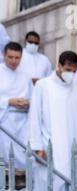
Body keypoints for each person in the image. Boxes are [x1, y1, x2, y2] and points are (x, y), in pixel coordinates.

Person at [28, 51, 77, 191]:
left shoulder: (76, 87)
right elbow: (35, 116)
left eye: (74, 70)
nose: (71, 74)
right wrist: (37, 146)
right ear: (59, 66)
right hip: (50, 145)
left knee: (71, 188)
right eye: (68, 69)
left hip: (72, 145)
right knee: (51, 187)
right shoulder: (43, 86)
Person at [0, 42, 33, 170]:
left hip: (23, 121)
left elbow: (33, 97)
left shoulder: (25, 75)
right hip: (5, 119)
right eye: (10, 57)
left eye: (17, 58)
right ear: (4, 55)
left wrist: (28, 103)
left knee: (23, 151)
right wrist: (9, 101)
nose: (14, 61)